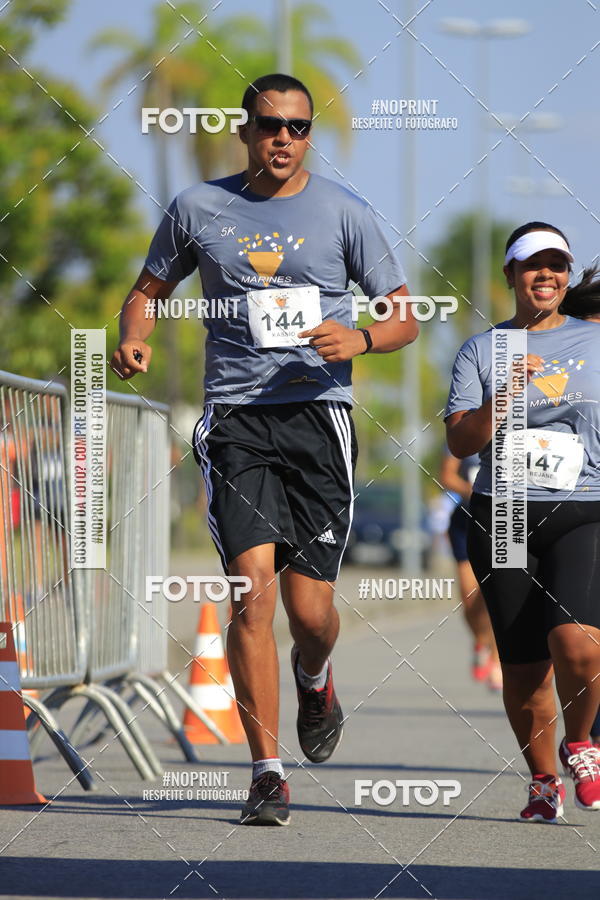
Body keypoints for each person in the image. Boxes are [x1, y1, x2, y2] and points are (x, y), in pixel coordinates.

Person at [110, 73, 418, 826]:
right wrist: (133, 337)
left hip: (319, 417)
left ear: (310, 136)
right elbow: (147, 290)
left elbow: (406, 316)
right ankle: (267, 772)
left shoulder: (346, 212)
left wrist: (363, 337)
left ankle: (315, 677)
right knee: (254, 591)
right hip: (236, 419)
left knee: (311, 615)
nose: (285, 138)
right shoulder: (198, 207)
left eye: (299, 128)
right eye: (271, 125)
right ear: (245, 130)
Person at [445, 221, 600, 824]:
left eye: (558, 265)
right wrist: (501, 397)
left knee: (579, 646)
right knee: (526, 665)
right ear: (510, 274)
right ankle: (542, 781)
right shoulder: (481, 351)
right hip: (504, 512)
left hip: (585, 506)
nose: (547, 275)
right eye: (533, 265)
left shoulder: (594, 342)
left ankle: (581, 741)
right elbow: (459, 443)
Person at [439, 449, 502, 690]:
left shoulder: (521, 425)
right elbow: (447, 476)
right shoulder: (468, 423)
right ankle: (481, 640)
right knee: (469, 596)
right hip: (467, 519)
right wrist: (478, 492)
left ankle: (497, 661)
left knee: (499, 596)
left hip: (506, 520)